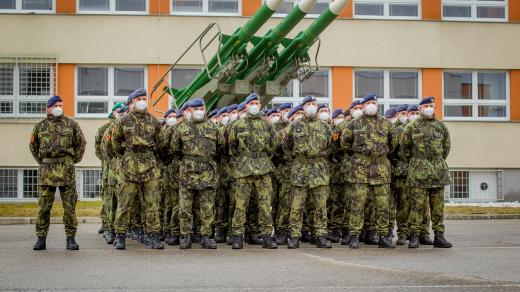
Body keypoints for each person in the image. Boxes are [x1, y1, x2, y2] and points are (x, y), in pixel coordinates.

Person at [30, 95, 86, 250]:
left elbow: (81, 143)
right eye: (55, 105)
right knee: (43, 207)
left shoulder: (71, 125)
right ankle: (41, 238)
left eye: (60, 104)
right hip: (47, 172)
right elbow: (33, 146)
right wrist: (42, 162)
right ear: (48, 108)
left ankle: (70, 239)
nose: (58, 107)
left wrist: (72, 160)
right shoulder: (40, 126)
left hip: (66, 170)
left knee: (69, 207)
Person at [111, 88, 164, 250]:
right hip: (129, 167)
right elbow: (115, 143)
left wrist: (148, 154)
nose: (142, 101)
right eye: (139, 98)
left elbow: (160, 142)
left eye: (144, 98)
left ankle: (153, 235)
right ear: (132, 102)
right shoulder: (123, 121)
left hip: (149, 167)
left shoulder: (153, 121)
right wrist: (127, 155)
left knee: (151, 204)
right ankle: (120, 236)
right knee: (125, 203)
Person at [340, 93, 395, 249]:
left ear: (377, 105)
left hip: (381, 169)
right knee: (358, 204)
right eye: (368, 103)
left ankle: (383, 236)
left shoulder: (386, 124)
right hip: (360, 170)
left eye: (374, 103)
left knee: (382, 205)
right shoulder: (353, 124)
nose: (371, 105)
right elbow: (345, 144)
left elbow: (394, 144)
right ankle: (354, 236)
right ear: (363, 106)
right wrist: (360, 157)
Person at [171, 98, 225, 249]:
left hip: (207, 172)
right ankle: (186, 236)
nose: (199, 111)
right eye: (196, 109)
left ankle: (206, 236)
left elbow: (221, 148)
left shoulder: (213, 128)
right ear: (190, 111)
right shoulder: (181, 129)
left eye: (201, 108)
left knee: (207, 206)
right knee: (185, 207)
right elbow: (174, 150)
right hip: (188, 172)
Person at [401, 97, 453, 248]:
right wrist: (419, 161)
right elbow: (405, 149)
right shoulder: (411, 127)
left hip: (438, 172)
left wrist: (436, 161)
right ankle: (415, 236)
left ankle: (439, 236)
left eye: (431, 105)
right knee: (417, 206)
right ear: (420, 108)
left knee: (437, 207)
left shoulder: (441, 127)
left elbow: (446, 148)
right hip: (419, 172)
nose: (429, 108)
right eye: (426, 106)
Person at [228, 93, 278, 249]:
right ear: (246, 106)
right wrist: (245, 158)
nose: (255, 105)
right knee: (241, 204)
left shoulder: (267, 124)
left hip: (263, 168)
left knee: (265, 204)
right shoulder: (237, 125)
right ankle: (237, 236)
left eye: (257, 102)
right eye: (252, 103)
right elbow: (233, 147)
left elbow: (273, 145)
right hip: (244, 168)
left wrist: (261, 157)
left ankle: (267, 236)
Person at [285, 96, 333, 249]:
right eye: (308, 104)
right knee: (297, 206)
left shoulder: (325, 127)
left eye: (314, 104)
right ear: (303, 107)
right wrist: (299, 158)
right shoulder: (294, 125)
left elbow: (331, 147)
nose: (312, 106)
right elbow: (287, 146)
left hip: (319, 170)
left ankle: (320, 236)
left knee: (320, 206)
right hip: (300, 170)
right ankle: (294, 236)